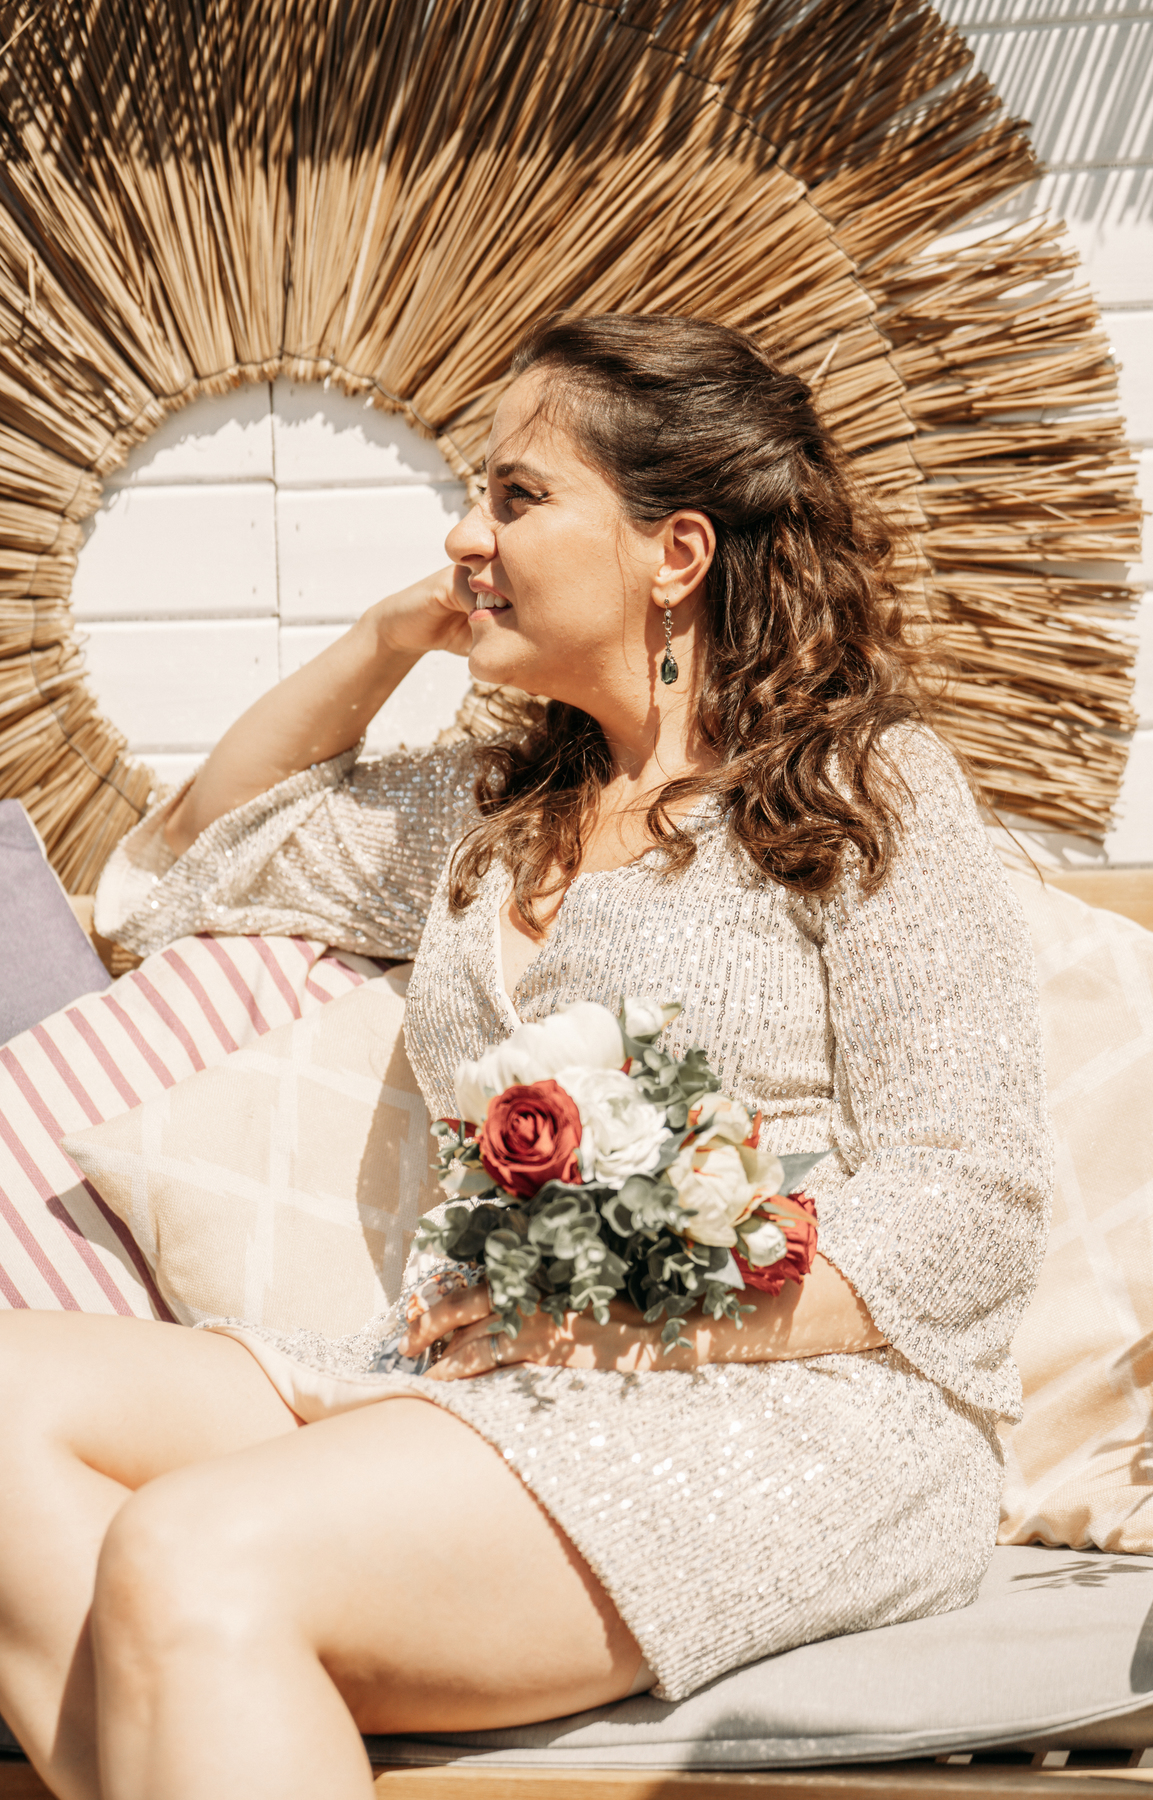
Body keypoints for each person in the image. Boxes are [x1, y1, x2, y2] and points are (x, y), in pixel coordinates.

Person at [0, 314, 1051, 1800]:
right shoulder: (486, 815)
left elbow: (973, 1206)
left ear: (675, 552)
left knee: (189, 1550)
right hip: (478, 1363)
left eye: (515, 495)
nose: (465, 534)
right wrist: (387, 641)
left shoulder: (857, 789)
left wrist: (631, 1311)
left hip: (794, 1407)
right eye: (470, 497)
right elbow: (185, 868)